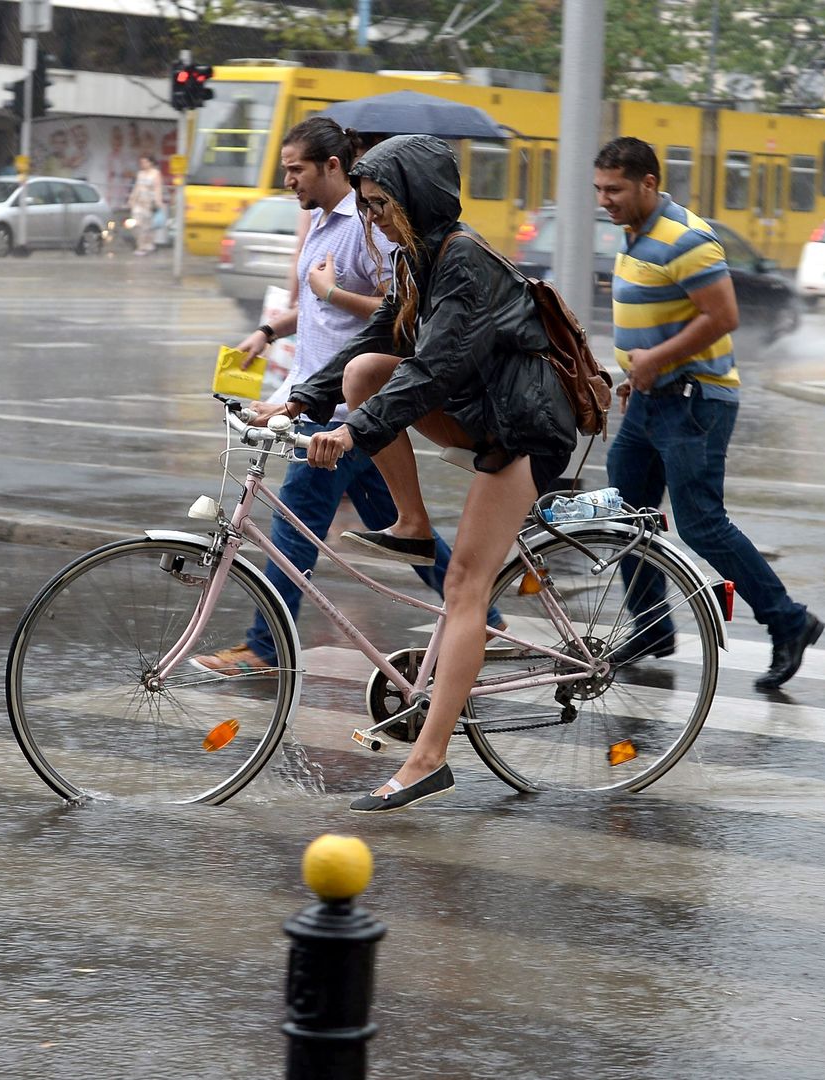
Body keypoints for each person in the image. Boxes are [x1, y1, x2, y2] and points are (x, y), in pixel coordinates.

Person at [257, 134, 577, 813]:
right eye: (367, 209)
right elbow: (382, 342)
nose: (372, 221)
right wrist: (300, 398)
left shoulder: (461, 261)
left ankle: (427, 759)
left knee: (463, 584)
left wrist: (350, 432)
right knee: (362, 372)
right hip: (482, 412)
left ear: (416, 200)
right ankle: (410, 523)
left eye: (381, 207)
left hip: (523, 428)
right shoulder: (417, 259)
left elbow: (433, 371)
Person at [192, 119, 502, 676]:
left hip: (355, 416)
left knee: (290, 532)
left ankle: (266, 646)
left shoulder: (420, 246)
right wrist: (278, 357)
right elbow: (354, 319)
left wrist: (345, 416)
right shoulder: (331, 225)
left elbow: (406, 338)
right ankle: (487, 615)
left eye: (295, 169)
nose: (288, 181)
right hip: (335, 407)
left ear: (331, 166)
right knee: (408, 528)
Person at [592, 136, 821, 692]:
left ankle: (789, 622)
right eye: (599, 189)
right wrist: (636, 373)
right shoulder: (636, 233)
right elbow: (660, 317)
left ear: (649, 183)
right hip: (650, 396)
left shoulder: (686, 238)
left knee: (701, 524)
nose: (605, 200)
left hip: (694, 400)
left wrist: (656, 361)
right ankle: (651, 627)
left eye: (614, 189)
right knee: (628, 516)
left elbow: (723, 315)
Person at [129, 154, 163, 255]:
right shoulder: (140, 174)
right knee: (136, 224)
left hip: (149, 203)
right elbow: (137, 187)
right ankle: (140, 245)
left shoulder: (156, 173)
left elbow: (157, 188)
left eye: (145, 162)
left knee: (147, 225)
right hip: (139, 202)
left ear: (150, 162)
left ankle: (146, 245)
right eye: (141, 162)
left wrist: (158, 201)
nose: (143, 164)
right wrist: (131, 199)